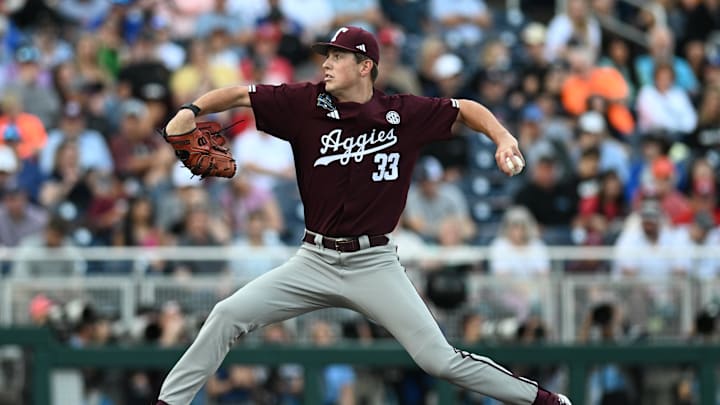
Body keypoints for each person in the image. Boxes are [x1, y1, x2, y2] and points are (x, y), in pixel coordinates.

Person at [156, 26, 571, 405]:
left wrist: (502, 136)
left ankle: (546, 402)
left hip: (373, 263)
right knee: (227, 315)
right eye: (326, 56)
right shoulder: (304, 104)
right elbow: (240, 95)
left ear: (365, 66)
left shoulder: (401, 113)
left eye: (337, 56)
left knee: (438, 359)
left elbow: (465, 108)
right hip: (313, 259)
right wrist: (191, 109)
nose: (326, 63)